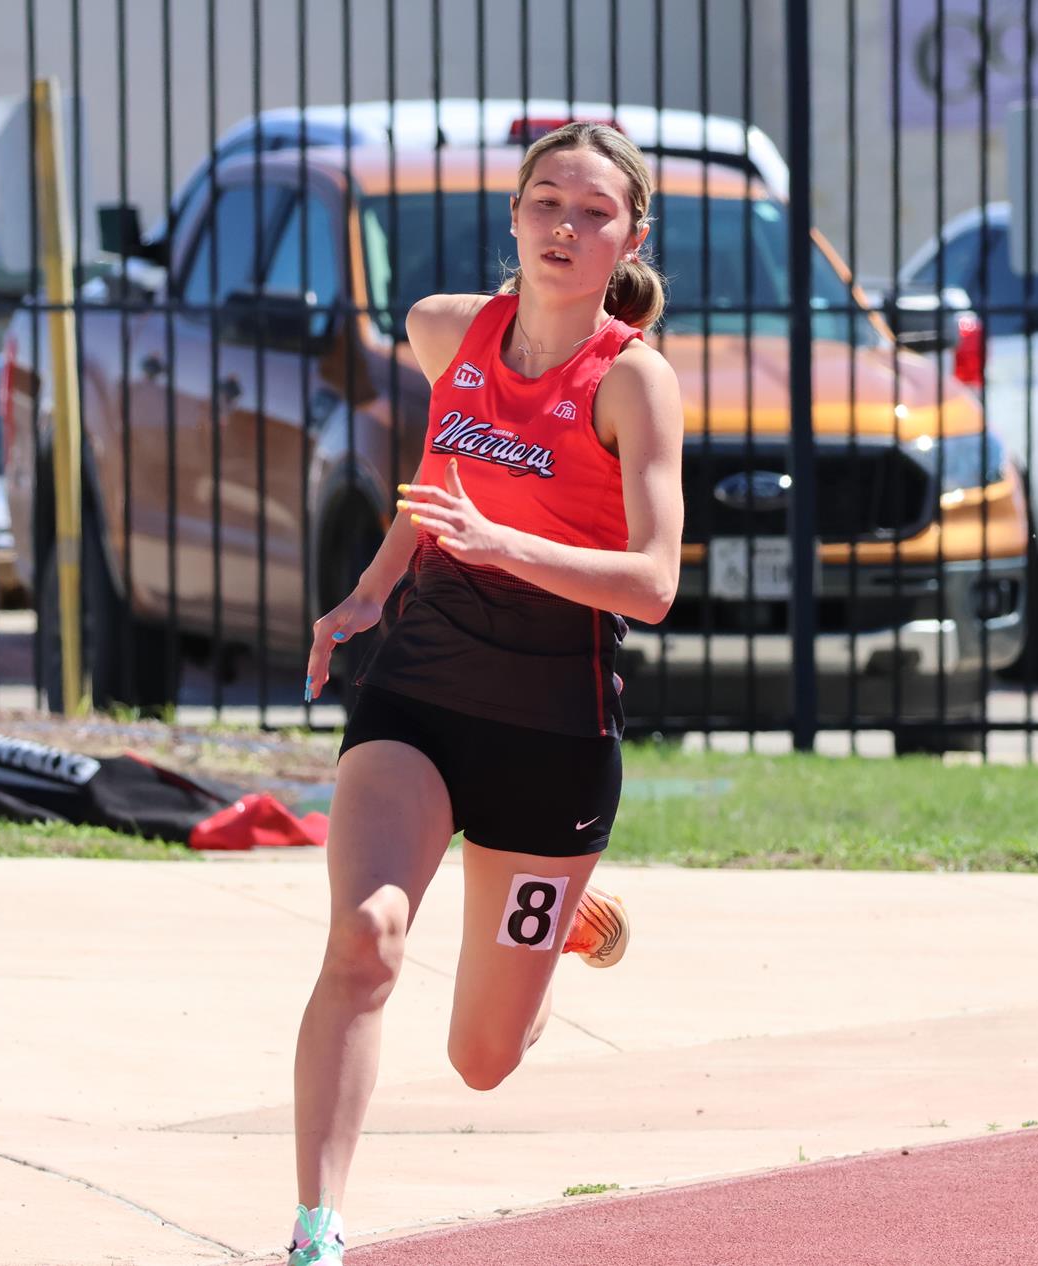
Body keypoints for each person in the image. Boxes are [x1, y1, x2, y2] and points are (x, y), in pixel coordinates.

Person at [284, 121, 684, 1265]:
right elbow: (441, 476)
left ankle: (550, 934)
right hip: (418, 685)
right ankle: (319, 1226)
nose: (565, 226)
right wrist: (367, 591)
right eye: (545, 201)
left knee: (481, 1061)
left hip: (552, 729)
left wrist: (506, 546)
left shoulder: (635, 384)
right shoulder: (446, 329)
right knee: (366, 939)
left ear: (629, 239)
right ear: (511, 216)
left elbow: (653, 587)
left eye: (593, 211)